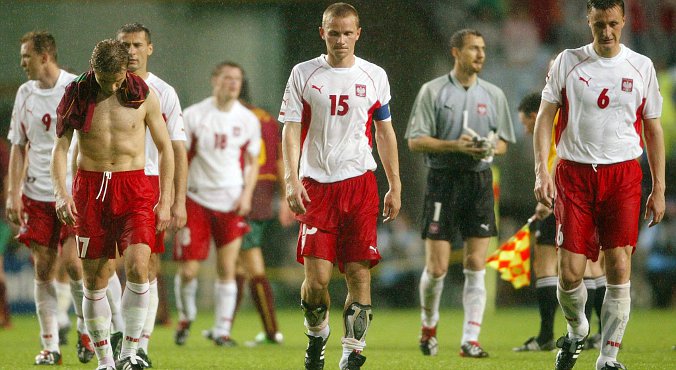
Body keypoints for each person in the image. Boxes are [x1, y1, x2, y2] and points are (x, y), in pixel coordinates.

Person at [532, 1, 665, 369]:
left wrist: (659, 187)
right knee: (569, 271)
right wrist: (542, 172)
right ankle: (577, 330)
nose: (606, 32)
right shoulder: (567, 62)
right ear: (587, 21)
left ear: (624, 22)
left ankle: (608, 356)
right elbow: (545, 117)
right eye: (599, 25)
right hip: (574, 174)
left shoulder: (641, 67)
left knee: (619, 265)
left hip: (622, 175)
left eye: (613, 24)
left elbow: (653, 129)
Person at [279, 3, 401, 369]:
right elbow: (290, 128)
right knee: (316, 282)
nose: (341, 40)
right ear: (323, 33)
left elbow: (384, 131)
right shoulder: (304, 73)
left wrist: (394, 183)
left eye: (348, 33)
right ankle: (317, 336)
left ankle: (352, 352)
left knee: (358, 273)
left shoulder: (374, 75)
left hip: (360, 186)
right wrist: (291, 177)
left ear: (358, 34)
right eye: (334, 33)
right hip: (316, 186)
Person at [51, 39, 174, 370]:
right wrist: (61, 193)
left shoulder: (143, 94)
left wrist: (166, 197)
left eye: (119, 79)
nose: (114, 86)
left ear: (125, 70)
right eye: (107, 80)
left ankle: (130, 353)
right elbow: (60, 149)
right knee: (95, 280)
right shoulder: (76, 94)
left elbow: (165, 147)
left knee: (138, 266)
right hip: (90, 190)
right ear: (95, 70)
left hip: (134, 187)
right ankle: (105, 360)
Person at [405, 28, 516, 359]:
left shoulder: (493, 94)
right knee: (437, 267)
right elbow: (414, 140)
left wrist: (486, 148)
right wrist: (455, 145)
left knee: (475, 264)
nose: (480, 54)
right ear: (456, 52)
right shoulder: (433, 91)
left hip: (478, 182)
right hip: (442, 180)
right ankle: (429, 326)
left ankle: (470, 339)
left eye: (482, 48)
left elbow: (504, 144)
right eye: (472, 49)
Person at [6, 31, 92, 365]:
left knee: (73, 264)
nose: (22, 62)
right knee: (43, 268)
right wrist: (13, 193)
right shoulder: (24, 94)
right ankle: (50, 346)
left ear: (45, 57)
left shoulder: (75, 88)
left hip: (72, 192)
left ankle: (86, 334)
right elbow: (17, 146)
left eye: (26, 56)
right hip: (36, 193)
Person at [172, 61, 260, 348]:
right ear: (215, 80)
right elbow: (179, 159)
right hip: (196, 199)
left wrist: (247, 195)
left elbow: (251, 163)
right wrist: (177, 198)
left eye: (237, 79)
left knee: (228, 267)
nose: (233, 83)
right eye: (227, 78)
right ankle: (186, 316)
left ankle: (222, 330)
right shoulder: (195, 115)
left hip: (231, 201)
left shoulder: (248, 120)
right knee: (188, 271)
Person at [116, 23, 188, 367]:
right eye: (124, 45)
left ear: (149, 48)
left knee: (146, 265)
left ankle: (138, 343)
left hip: (149, 187)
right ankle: (118, 332)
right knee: (104, 267)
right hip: (107, 185)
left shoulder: (164, 92)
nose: (131, 51)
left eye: (137, 45)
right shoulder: (103, 88)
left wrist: (178, 201)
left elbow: (176, 150)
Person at [232, 91, 295, 346]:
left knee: (250, 259)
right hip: (264, 193)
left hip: (243, 192)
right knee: (238, 263)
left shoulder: (236, 118)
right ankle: (224, 328)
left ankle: (271, 330)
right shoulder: (268, 120)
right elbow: (280, 160)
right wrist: (285, 196)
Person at [513, 92, 558, 352]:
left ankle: (546, 336)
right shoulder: (564, 118)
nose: (525, 129)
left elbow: (559, 156)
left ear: (533, 116)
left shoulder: (549, 126)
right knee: (587, 267)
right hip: (574, 195)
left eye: (524, 122)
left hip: (556, 198)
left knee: (546, 265)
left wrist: (548, 197)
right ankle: (594, 335)